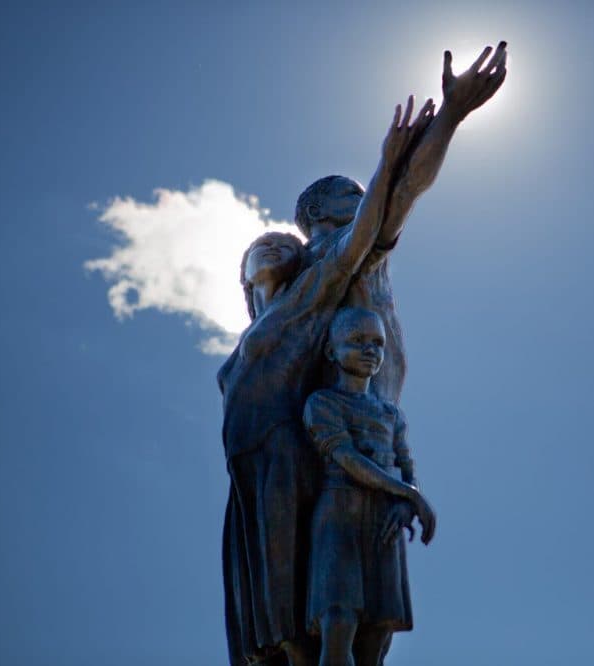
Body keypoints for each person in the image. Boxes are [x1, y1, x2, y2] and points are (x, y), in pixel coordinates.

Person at [218, 101, 430, 666]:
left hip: (342, 448)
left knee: (354, 615)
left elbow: (397, 201)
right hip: (268, 462)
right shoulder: (290, 294)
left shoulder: (334, 263)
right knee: (288, 606)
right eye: (350, 193)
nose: (274, 251)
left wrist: (436, 130)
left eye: (279, 247)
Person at [297, 41, 509, 405]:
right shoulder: (330, 254)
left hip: (380, 413)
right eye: (351, 194)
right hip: (348, 422)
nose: (364, 200)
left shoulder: (353, 251)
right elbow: (407, 188)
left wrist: (450, 116)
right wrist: (451, 115)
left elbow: (405, 187)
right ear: (317, 212)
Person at [302, 307, 436, 666]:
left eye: (377, 343)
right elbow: (345, 457)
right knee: (339, 621)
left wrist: (407, 500)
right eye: (357, 341)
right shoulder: (322, 403)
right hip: (339, 515)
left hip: (384, 523)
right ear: (332, 352)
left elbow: (407, 466)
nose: (370, 350)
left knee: (378, 632)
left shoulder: (391, 415)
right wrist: (409, 494)